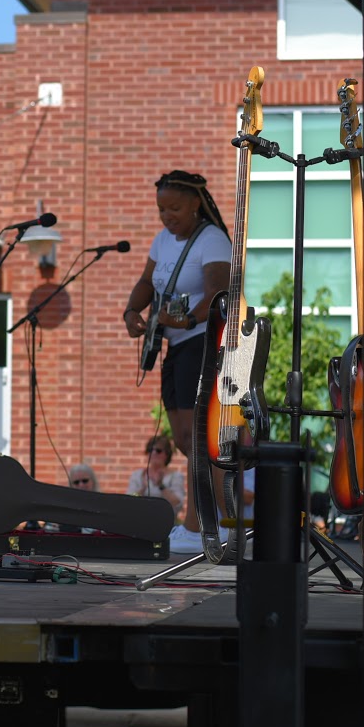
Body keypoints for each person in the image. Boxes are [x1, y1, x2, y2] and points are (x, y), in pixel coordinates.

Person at [122, 170, 231, 554]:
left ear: (196, 204)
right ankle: (219, 519)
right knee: (186, 440)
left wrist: (185, 321)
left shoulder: (212, 240)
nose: (167, 217)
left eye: (175, 209)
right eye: (161, 210)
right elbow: (146, 283)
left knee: (199, 437)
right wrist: (131, 311)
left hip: (201, 344)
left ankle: (201, 524)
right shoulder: (162, 240)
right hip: (174, 347)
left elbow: (218, 294)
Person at [126, 434, 185, 522]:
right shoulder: (137, 475)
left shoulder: (175, 476)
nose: (153, 453)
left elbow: (177, 503)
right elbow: (128, 501)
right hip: (140, 521)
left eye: (158, 450)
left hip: (167, 523)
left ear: (167, 454)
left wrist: (161, 486)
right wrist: (143, 488)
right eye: (150, 450)